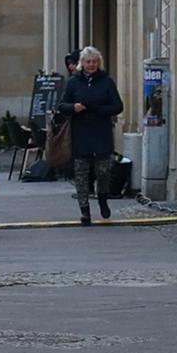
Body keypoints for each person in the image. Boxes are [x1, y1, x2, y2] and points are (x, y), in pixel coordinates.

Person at [60, 47, 125, 226]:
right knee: (81, 173)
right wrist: (74, 108)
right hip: (80, 133)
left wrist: (99, 109)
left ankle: (102, 197)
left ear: (99, 63)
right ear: (83, 63)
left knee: (103, 171)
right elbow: (62, 105)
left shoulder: (107, 82)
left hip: (101, 132)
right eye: (88, 61)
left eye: (95, 61)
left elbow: (118, 106)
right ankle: (84, 210)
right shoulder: (74, 82)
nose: (91, 65)